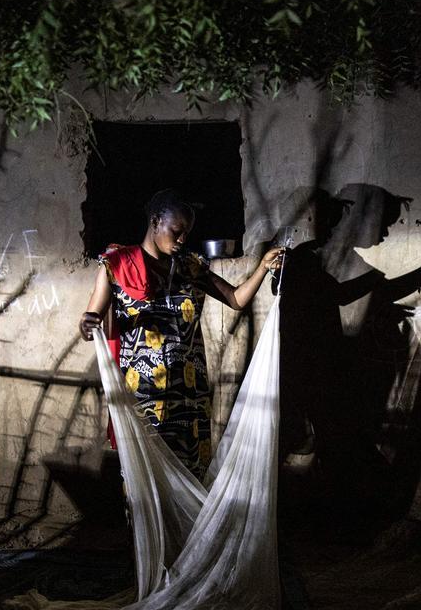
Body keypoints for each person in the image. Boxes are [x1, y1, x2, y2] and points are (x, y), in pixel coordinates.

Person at [80, 189, 284, 478]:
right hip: (145, 396)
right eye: (176, 231)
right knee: (148, 481)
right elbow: (91, 320)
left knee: (189, 476)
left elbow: (236, 300)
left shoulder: (191, 267)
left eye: (186, 233)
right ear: (155, 222)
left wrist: (262, 268)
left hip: (190, 397)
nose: (182, 239)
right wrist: (87, 323)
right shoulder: (118, 267)